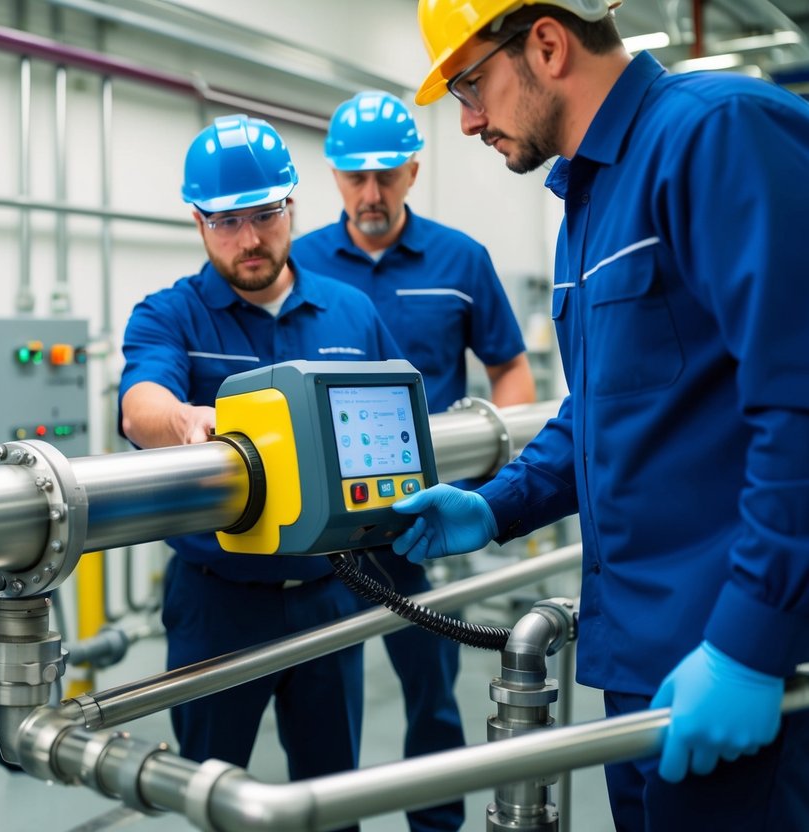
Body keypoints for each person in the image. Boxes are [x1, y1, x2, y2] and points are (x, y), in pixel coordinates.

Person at [397, 2, 809, 829]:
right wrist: (495, 505)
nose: (469, 119)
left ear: (545, 43)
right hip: (640, 661)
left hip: (731, 655)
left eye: (470, 83)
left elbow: (798, 398)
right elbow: (603, 412)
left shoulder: (717, 135)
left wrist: (749, 642)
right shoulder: (588, 196)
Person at [119, 114, 402, 821]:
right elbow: (139, 403)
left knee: (329, 798)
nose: (249, 239)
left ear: (292, 204)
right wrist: (188, 419)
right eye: (225, 222)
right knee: (209, 795)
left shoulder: (351, 312)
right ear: (197, 221)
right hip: (216, 601)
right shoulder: (170, 315)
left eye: (265, 215)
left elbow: (400, 418)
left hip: (328, 588)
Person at [293, 89, 537, 832]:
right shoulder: (296, 263)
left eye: (386, 175)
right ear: (333, 175)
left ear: (412, 171)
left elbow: (510, 371)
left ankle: (437, 825)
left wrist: (488, 485)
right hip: (324, 528)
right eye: (355, 177)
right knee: (322, 696)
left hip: (419, 521)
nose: (371, 193)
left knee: (430, 692)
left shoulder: (460, 261)